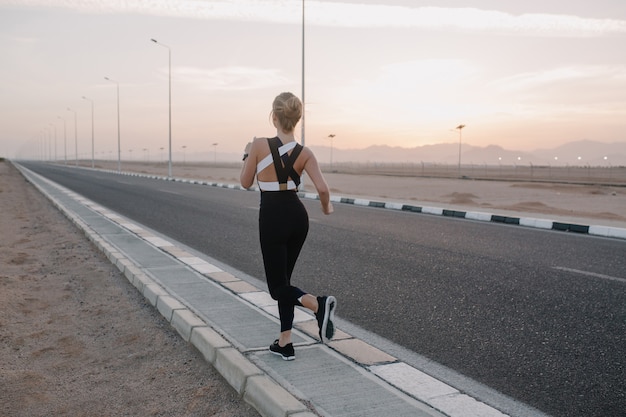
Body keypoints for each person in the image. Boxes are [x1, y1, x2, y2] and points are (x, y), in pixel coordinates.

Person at [240, 92, 336, 361]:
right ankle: (285, 342)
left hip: (272, 217)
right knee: (285, 283)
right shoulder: (305, 153)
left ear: (274, 117)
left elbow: (245, 182)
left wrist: (247, 154)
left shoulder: (259, 145)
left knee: (276, 289)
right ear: (298, 119)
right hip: (298, 217)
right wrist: (326, 209)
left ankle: (319, 304)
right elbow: (323, 190)